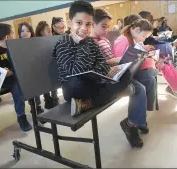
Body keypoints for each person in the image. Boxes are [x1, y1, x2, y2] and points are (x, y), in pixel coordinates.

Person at [53, 0, 147, 148]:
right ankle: (93, 98)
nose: (84, 28)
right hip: (73, 87)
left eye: (88, 24)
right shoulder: (64, 43)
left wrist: (108, 73)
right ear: (70, 22)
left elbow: (102, 63)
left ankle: (88, 103)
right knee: (84, 82)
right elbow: (75, 72)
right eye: (79, 23)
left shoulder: (91, 42)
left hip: (94, 82)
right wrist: (83, 44)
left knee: (126, 74)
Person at [113, 18, 157, 113]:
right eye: (144, 36)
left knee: (151, 80)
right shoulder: (122, 39)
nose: (144, 39)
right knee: (143, 85)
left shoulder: (134, 39)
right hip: (124, 74)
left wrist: (143, 52)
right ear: (136, 30)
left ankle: (145, 110)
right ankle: (139, 115)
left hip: (132, 71)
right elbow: (119, 60)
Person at [0, 23, 32, 132]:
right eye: (13, 34)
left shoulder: (14, 48)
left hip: (15, 77)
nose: (15, 36)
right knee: (18, 92)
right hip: (3, 80)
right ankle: (21, 117)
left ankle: (35, 108)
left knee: (28, 84)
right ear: (7, 37)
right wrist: (2, 71)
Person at [17, 22, 44, 114]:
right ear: (19, 33)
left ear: (31, 32)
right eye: (22, 31)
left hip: (34, 71)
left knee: (36, 89)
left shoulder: (34, 43)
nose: (25, 33)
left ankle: (38, 106)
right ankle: (33, 106)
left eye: (28, 31)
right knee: (29, 90)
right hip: (24, 73)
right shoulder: (17, 45)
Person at [35, 21, 59, 109]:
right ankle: (47, 99)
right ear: (41, 32)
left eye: (50, 31)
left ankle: (55, 99)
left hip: (51, 68)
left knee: (53, 82)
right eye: (48, 31)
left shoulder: (52, 41)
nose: (51, 33)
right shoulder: (36, 43)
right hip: (42, 69)